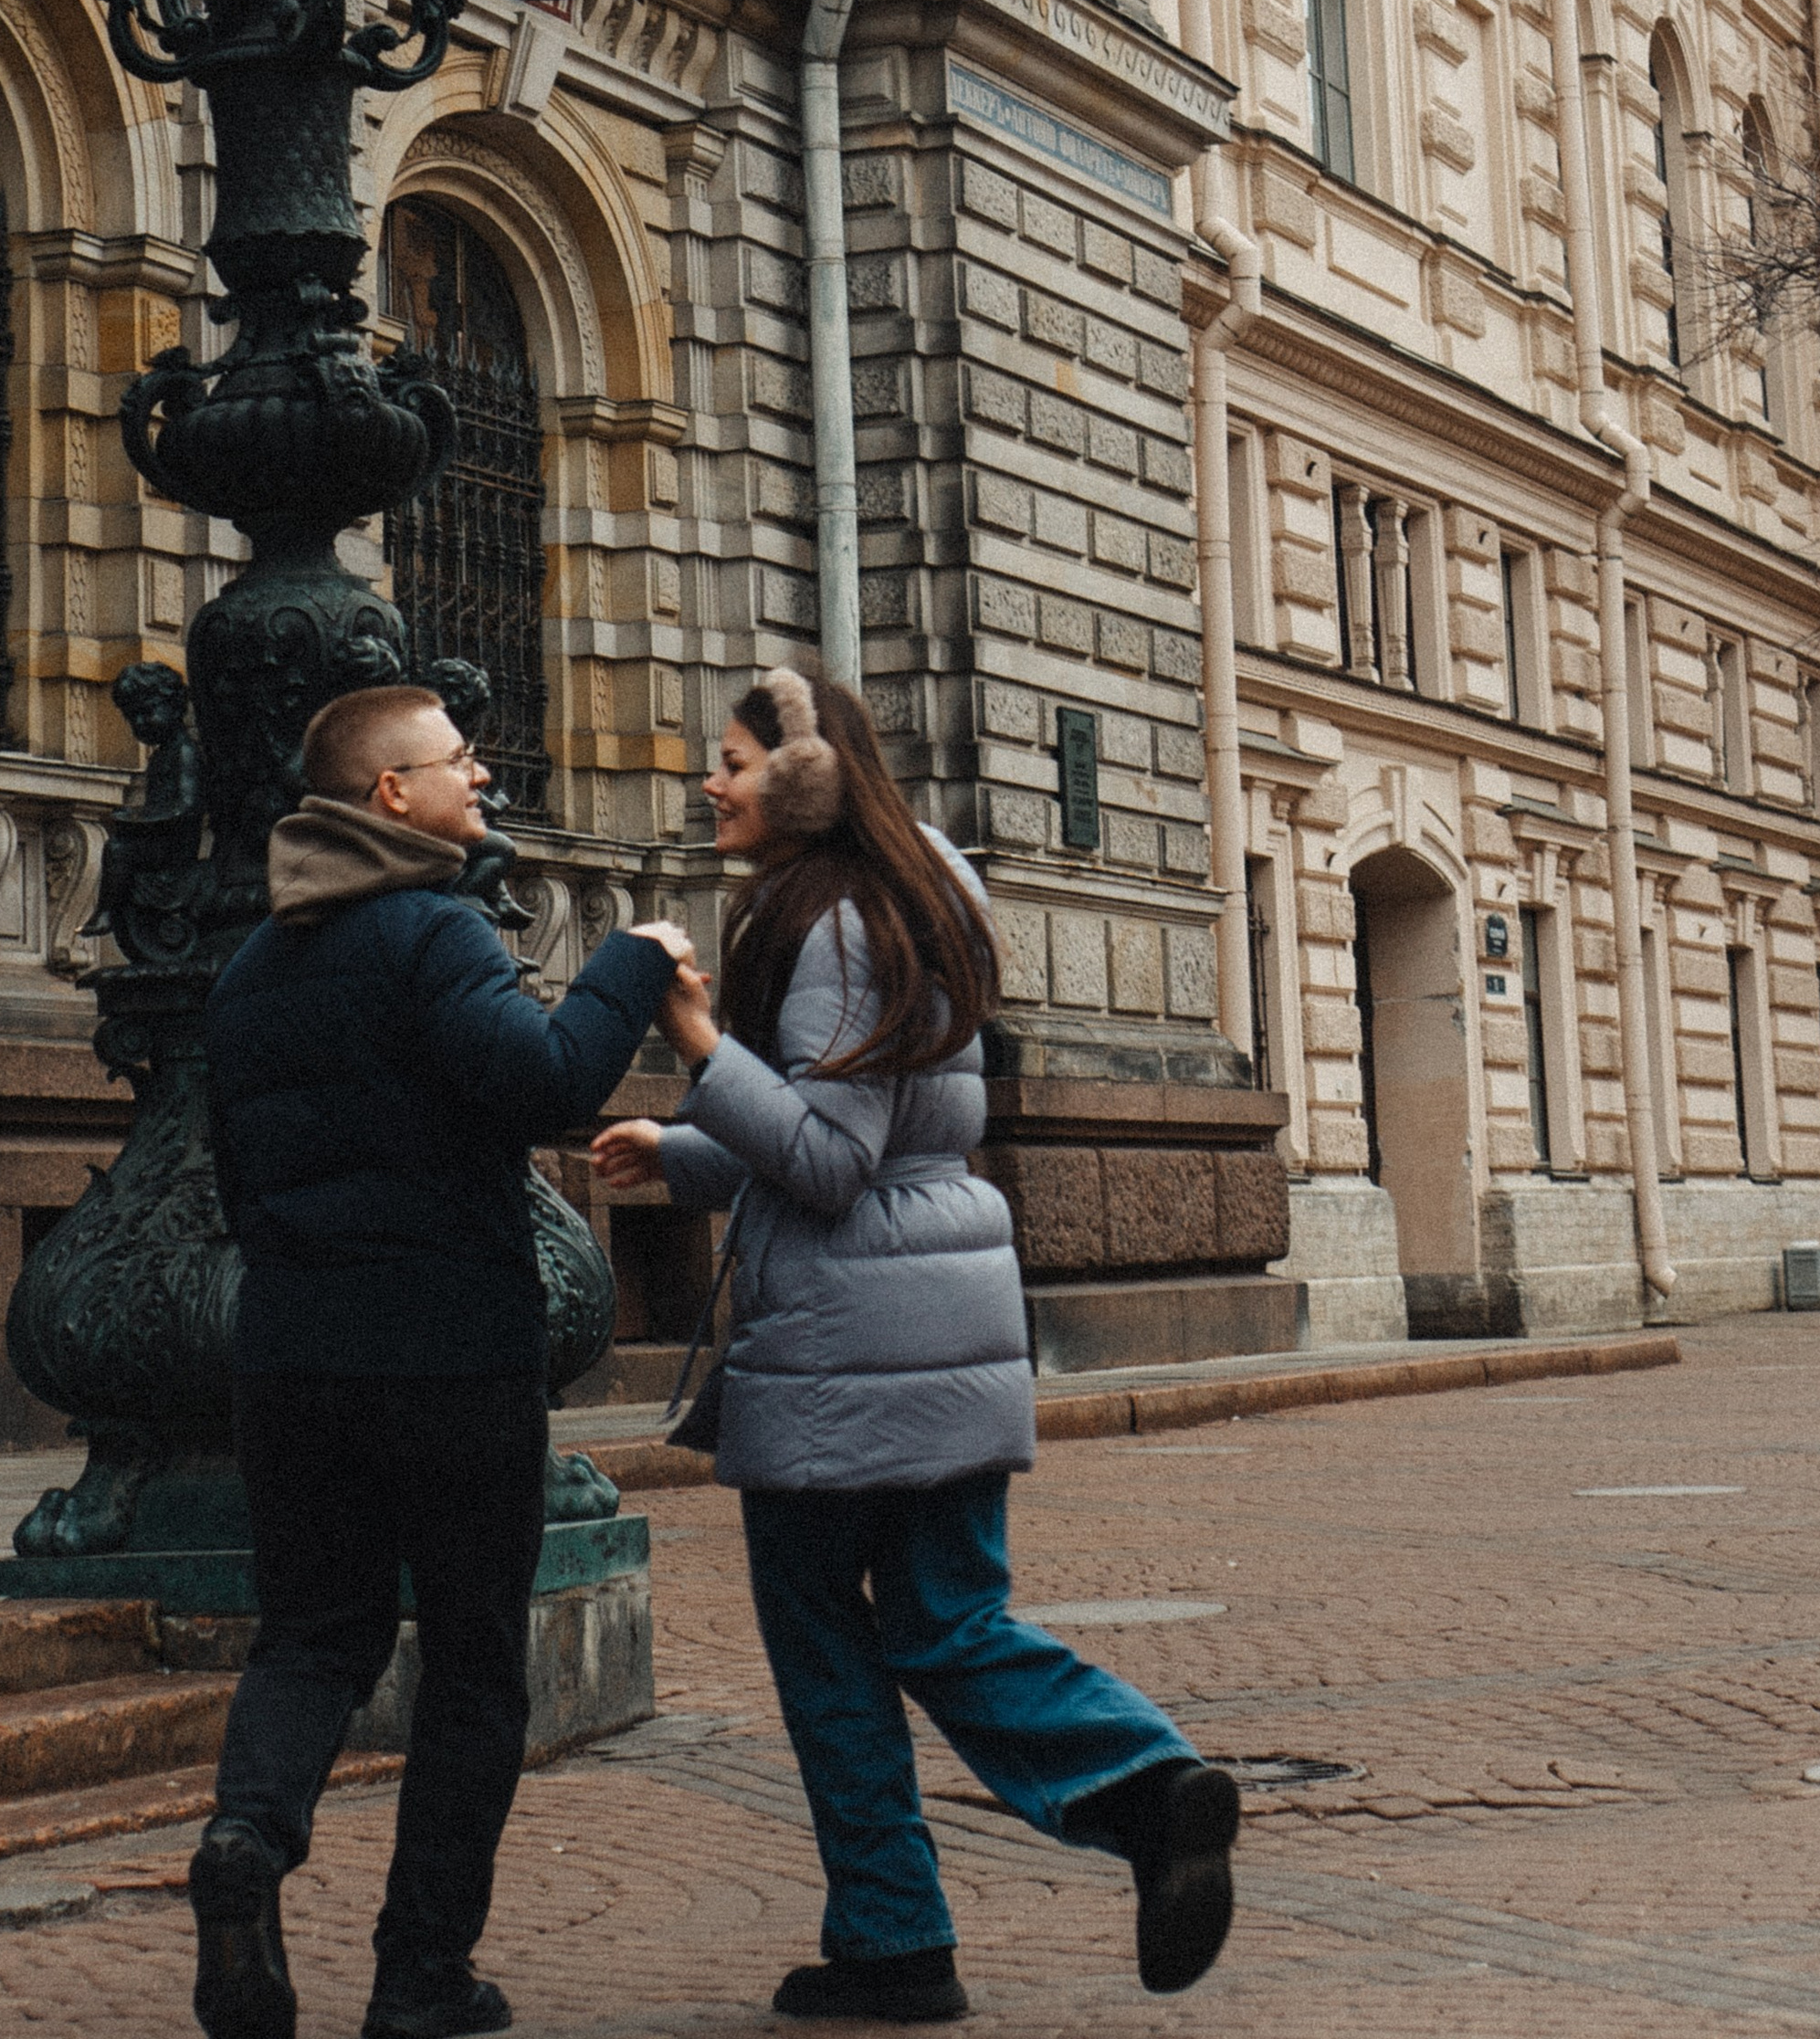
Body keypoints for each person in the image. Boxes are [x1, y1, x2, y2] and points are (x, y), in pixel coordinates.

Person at [590, 667, 1239, 2025]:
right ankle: (1149, 1789)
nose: (711, 783)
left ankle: (899, 1932)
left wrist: (696, 1040)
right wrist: (685, 1153)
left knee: (827, 1639)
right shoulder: (915, 887)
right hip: (937, 1306)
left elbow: (828, 1158)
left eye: (732, 761)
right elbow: (875, 1129)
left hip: (844, 1334)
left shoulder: (827, 921)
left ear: (808, 775)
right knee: (949, 1615)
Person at [192, 680, 711, 2039]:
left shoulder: (248, 970)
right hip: (446, 1357)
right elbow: (542, 1085)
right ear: (389, 798)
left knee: (314, 1635)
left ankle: (247, 1841)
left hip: (291, 1353)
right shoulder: (437, 933)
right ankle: (421, 1974)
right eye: (455, 761)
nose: (480, 776)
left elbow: (237, 1177)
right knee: (477, 1667)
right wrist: (631, 965)